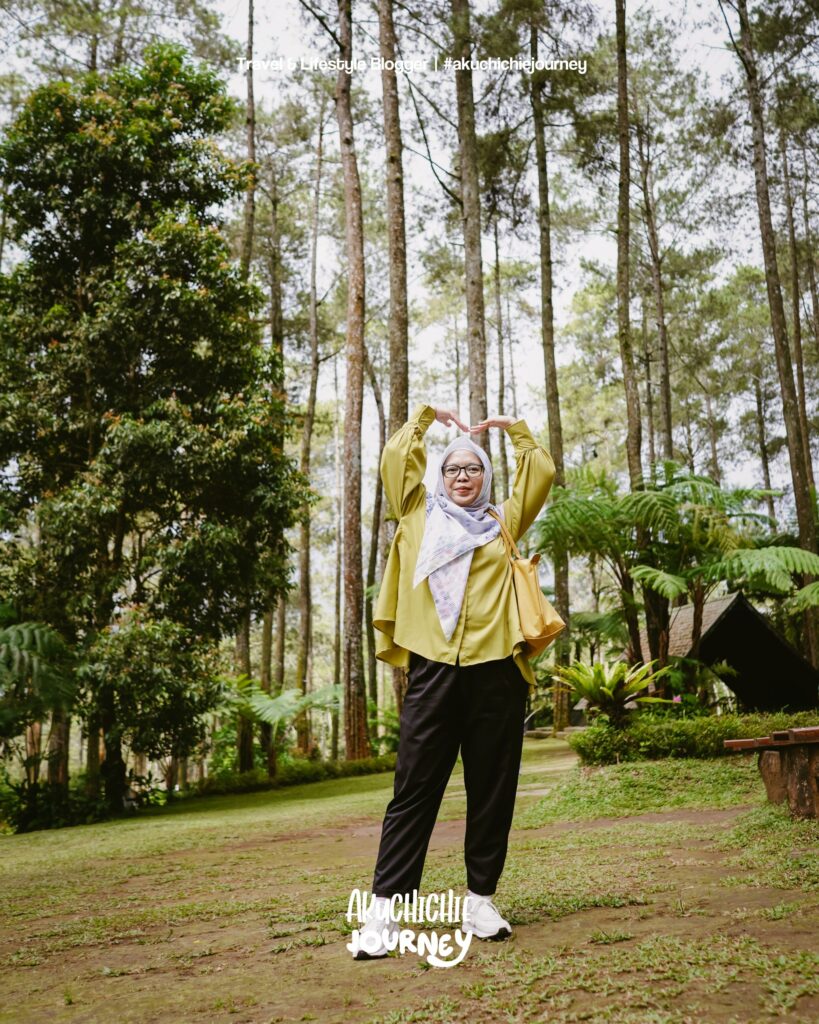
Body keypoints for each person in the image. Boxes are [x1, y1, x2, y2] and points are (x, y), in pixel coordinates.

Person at [352, 403, 556, 960]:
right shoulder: (417, 514)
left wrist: (514, 430)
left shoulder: (502, 522)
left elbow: (540, 470)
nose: (462, 476)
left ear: (485, 478)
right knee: (413, 791)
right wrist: (425, 418)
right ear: (440, 475)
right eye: (453, 468)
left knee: (493, 788)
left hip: (497, 673)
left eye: (473, 469)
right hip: (433, 671)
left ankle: (480, 901)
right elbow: (397, 459)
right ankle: (385, 912)